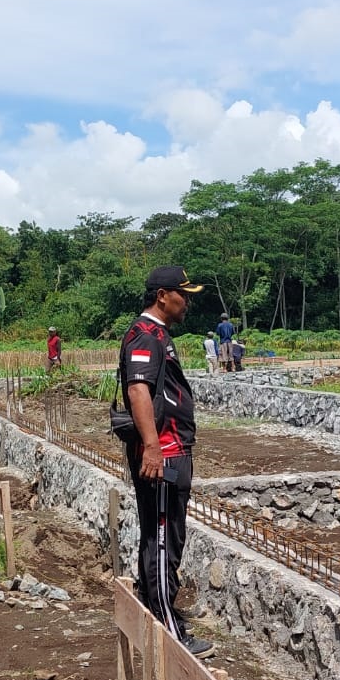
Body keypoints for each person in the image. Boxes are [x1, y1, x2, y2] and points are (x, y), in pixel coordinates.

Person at [119, 266, 214, 659]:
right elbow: (138, 390)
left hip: (172, 453)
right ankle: (168, 631)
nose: (187, 301)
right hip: (164, 457)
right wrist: (153, 448)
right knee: (161, 539)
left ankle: (153, 605)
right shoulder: (145, 336)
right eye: (182, 294)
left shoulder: (159, 336)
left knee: (165, 536)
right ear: (162, 296)